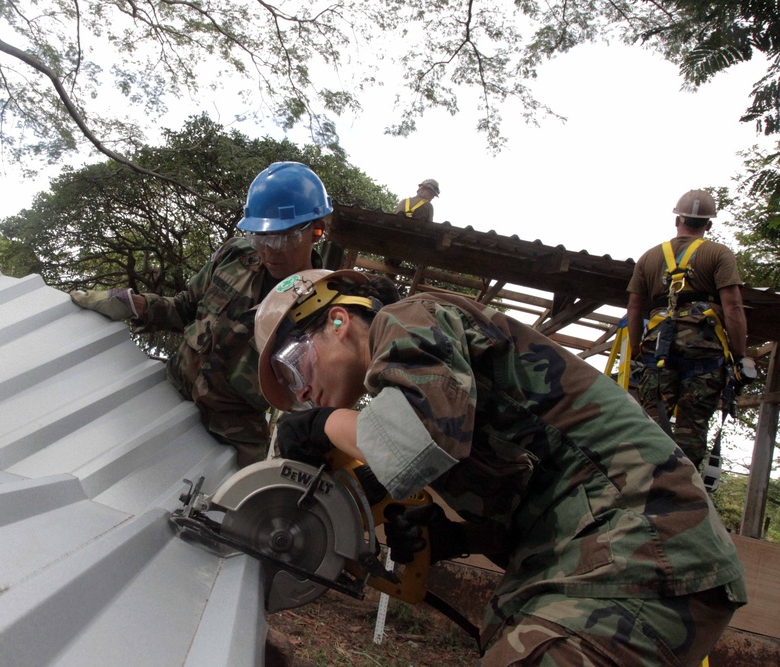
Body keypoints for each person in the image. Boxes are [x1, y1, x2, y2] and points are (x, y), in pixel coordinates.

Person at [254, 268, 746, 665]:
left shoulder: (409, 317)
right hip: (618, 561)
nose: (300, 393)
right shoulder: (416, 385)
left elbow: (409, 443)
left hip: (645, 552)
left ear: (338, 320)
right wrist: (455, 538)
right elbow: (534, 495)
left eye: (294, 365)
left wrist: (321, 427)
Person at [70, 162, 331, 467]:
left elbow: (308, 395)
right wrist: (132, 304)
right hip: (170, 392)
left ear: (315, 232)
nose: (268, 251)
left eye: (280, 239)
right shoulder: (234, 255)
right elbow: (184, 309)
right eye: (260, 237)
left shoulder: (322, 309)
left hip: (233, 434)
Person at [626, 189, 756, 469]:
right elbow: (732, 307)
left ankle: (643, 477)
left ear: (677, 220)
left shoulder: (649, 257)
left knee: (650, 421)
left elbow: (634, 309)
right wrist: (739, 354)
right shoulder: (719, 254)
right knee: (692, 425)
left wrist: (638, 350)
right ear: (708, 224)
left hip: (657, 350)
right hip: (703, 351)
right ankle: (681, 488)